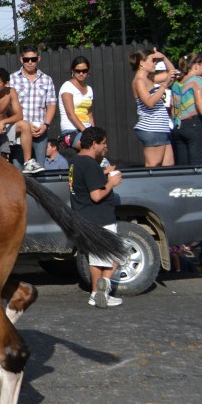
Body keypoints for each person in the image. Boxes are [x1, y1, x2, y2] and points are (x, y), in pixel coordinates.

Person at [69, 127, 123, 308]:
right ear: (94, 144)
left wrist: (103, 172)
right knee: (118, 253)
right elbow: (96, 195)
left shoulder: (76, 161)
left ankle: (95, 293)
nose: (105, 146)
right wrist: (111, 182)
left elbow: (84, 183)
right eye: (103, 143)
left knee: (97, 258)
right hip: (100, 217)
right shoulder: (90, 164)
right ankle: (104, 288)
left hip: (83, 216)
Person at [9, 45, 56, 174]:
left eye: (33, 59)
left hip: (40, 130)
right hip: (20, 131)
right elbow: (8, 105)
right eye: (26, 59)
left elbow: (51, 104)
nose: (30, 62)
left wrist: (45, 125)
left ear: (38, 58)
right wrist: (25, 125)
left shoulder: (46, 79)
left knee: (39, 170)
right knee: (18, 171)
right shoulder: (12, 79)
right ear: (21, 60)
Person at [129, 48, 175, 167]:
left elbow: (172, 72)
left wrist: (163, 57)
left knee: (168, 166)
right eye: (152, 60)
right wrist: (164, 85)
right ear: (142, 63)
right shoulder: (139, 81)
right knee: (153, 167)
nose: (155, 63)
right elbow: (149, 103)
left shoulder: (149, 78)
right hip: (152, 128)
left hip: (161, 128)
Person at [169, 53, 202, 166]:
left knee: (183, 167)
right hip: (195, 125)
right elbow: (201, 104)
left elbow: (173, 109)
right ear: (196, 66)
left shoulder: (176, 84)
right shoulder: (197, 81)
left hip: (179, 127)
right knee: (196, 165)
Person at [58, 55, 95, 151]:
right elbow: (70, 114)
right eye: (78, 71)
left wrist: (94, 132)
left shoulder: (89, 89)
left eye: (84, 71)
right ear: (72, 71)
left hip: (87, 129)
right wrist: (86, 132)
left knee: (100, 146)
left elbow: (89, 114)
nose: (81, 73)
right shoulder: (67, 87)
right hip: (71, 130)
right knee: (90, 149)